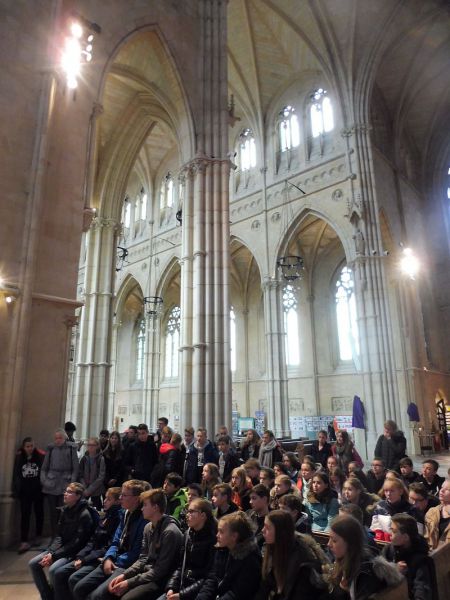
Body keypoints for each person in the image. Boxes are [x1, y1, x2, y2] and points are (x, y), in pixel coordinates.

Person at [71, 479, 148, 600]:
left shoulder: (144, 521)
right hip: (113, 559)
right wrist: (109, 557)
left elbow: (137, 552)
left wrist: (114, 560)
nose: (120, 498)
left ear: (136, 499)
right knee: (79, 587)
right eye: (121, 494)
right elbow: (115, 541)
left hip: (126, 564)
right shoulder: (124, 513)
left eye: (124, 495)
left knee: (96, 596)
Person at [104, 488, 183, 600]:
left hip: (161, 580)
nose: (141, 508)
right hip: (148, 573)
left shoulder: (170, 532)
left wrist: (129, 582)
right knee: (111, 590)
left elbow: (160, 571)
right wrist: (125, 575)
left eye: (145, 505)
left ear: (155, 507)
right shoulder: (148, 527)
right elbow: (143, 559)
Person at [29, 482, 96, 600]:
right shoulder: (65, 510)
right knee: (33, 563)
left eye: (69, 492)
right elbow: (59, 536)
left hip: (73, 552)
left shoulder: (84, 514)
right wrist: (51, 552)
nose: (65, 494)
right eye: (65, 491)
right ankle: (47, 596)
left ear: (78, 496)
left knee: (54, 570)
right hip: (60, 549)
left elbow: (77, 543)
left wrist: (54, 555)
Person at [53, 487, 122, 600]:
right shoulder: (106, 516)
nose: (104, 501)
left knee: (71, 577)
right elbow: (92, 540)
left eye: (109, 499)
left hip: (98, 558)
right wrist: (81, 556)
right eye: (105, 498)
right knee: (58, 572)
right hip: (89, 555)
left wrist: (84, 559)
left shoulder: (117, 518)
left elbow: (107, 546)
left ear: (118, 501)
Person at [327, 515, 403, 599]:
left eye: (334, 540)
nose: (329, 544)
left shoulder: (366, 573)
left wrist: (342, 591)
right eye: (329, 538)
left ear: (350, 543)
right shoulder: (342, 561)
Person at [257, 509, 326, 600]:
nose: (263, 530)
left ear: (280, 532)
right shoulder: (272, 547)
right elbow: (265, 586)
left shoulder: (303, 561)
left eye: (268, 527)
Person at [197, 512, 261, 600]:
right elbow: (213, 579)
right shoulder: (223, 548)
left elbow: (237, 594)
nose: (217, 535)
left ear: (234, 536)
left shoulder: (251, 559)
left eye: (221, 532)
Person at [164, 498, 217, 600]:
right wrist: (171, 587)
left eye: (191, 511)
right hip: (183, 586)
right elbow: (180, 566)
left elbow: (209, 577)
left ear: (203, 515)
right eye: (187, 511)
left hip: (198, 592)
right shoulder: (188, 535)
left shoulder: (214, 540)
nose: (187, 515)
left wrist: (182, 595)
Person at [382, 513, 432, 600]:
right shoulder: (388, 551)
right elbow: (378, 577)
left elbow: (421, 587)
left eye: (394, 531)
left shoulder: (420, 559)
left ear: (405, 537)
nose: (390, 534)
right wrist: (393, 570)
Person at [41, 428, 79, 538]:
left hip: (65, 483)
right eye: (56, 438)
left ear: (65, 438)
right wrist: (44, 481)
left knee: (64, 511)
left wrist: (72, 484)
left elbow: (75, 468)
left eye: (60, 438)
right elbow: (44, 468)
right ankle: (54, 535)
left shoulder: (71, 448)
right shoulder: (51, 448)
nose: (58, 440)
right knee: (53, 512)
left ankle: (63, 535)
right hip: (51, 483)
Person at [12, 436, 45, 553]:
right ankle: (24, 540)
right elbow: (16, 473)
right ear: (23, 447)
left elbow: (43, 471)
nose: (30, 448)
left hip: (37, 490)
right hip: (24, 491)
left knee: (39, 513)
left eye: (31, 446)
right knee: (25, 515)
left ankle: (38, 535)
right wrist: (16, 489)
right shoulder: (19, 457)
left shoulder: (40, 456)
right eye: (27, 446)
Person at [78, 437, 106, 510]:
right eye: (89, 445)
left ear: (97, 446)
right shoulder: (84, 458)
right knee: (82, 508)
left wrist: (90, 489)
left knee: (96, 509)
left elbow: (101, 477)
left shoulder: (100, 459)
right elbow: (80, 474)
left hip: (96, 489)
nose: (90, 447)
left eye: (93, 445)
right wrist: (84, 487)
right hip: (85, 488)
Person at [424, 478, 450, 549]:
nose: (442, 490)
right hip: (432, 553)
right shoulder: (432, 512)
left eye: (447, 489)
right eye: (442, 487)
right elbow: (426, 536)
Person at [246, 483, 270, 548]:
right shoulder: (248, 514)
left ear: (264, 499)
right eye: (250, 498)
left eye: (254, 498)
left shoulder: (271, 521)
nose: (250, 502)